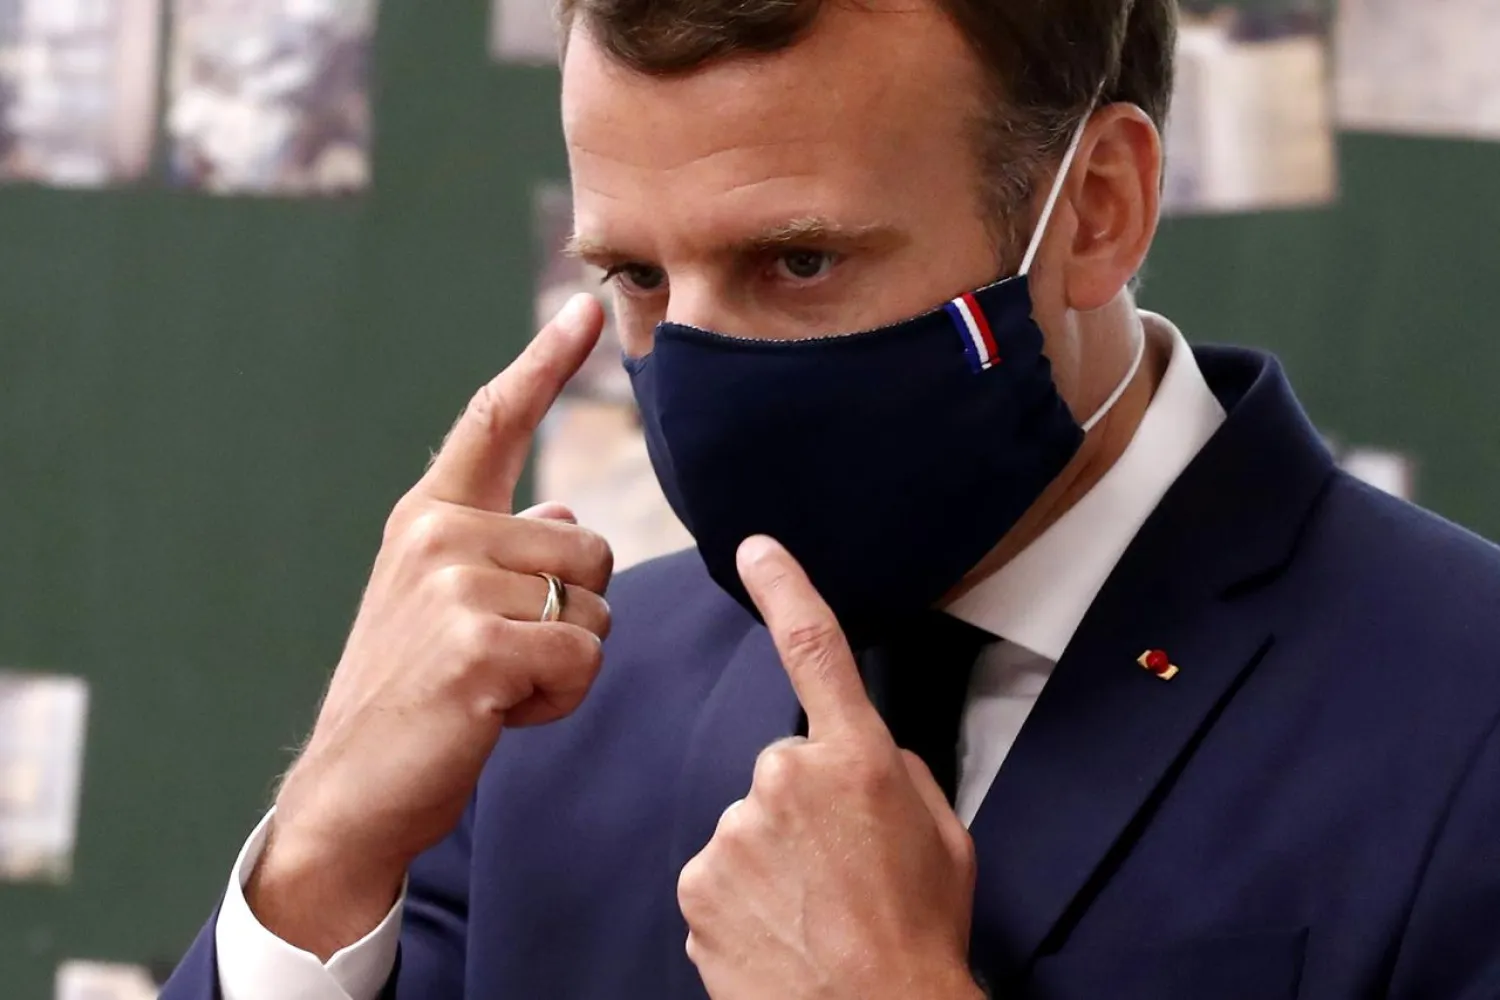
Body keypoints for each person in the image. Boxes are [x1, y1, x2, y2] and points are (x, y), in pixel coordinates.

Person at [163, 1, 1500, 998]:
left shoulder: (1466, 719)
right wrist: (320, 864)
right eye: (634, 275)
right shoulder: (555, 713)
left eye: (798, 260)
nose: (696, 368)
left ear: (1097, 209)